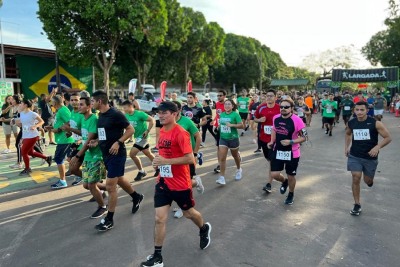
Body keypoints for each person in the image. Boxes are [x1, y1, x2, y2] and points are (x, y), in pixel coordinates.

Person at [140, 101, 211, 267]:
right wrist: (158, 163)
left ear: (174, 114)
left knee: (189, 213)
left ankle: (203, 229)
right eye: (159, 112)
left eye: (165, 112)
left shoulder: (181, 132)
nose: (161, 115)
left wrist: (166, 161)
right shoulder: (162, 130)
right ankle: (157, 257)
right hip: (163, 182)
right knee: (159, 219)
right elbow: (163, 154)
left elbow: (189, 158)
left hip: (180, 183)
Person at [91, 90, 144, 231]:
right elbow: (104, 133)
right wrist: (96, 141)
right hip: (106, 154)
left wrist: (118, 142)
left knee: (110, 186)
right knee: (119, 178)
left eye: (92, 101)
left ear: (100, 101)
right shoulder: (100, 115)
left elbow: (130, 130)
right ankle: (136, 196)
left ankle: (109, 219)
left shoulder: (116, 114)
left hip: (117, 154)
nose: (91, 103)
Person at [345, 101, 391, 216]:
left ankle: (370, 181)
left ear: (367, 110)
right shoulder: (351, 123)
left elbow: (388, 137)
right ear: (354, 111)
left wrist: (377, 147)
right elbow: (348, 134)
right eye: (357, 110)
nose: (359, 112)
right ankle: (357, 204)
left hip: (370, 157)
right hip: (355, 155)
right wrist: (347, 147)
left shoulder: (375, 123)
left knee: (367, 180)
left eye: (362, 110)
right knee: (356, 177)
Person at [69, 97, 108, 219]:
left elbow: (89, 140)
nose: (78, 106)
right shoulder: (83, 119)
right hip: (88, 156)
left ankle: (102, 207)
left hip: (97, 156)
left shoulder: (93, 119)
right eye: (78, 104)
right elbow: (84, 136)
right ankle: (110, 187)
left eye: (81, 104)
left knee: (91, 185)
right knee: (86, 185)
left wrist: (77, 155)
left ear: (88, 106)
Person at [267, 98, 306, 205]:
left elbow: (304, 137)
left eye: (286, 107)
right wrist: (271, 141)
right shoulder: (276, 118)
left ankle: (291, 194)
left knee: (291, 176)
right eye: (281, 107)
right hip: (278, 150)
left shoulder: (298, 120)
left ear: (292, 108)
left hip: (292, 152)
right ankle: (284, 182)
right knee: (274, 174)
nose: (283, 109)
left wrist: (291, 141)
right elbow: (274, 129)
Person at [172, 100, 205, 218]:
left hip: (187, 155)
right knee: (175, 181)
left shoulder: (186, 121)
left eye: (175, 109)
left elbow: (198, 136)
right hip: (174, 157)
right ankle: (197, 183)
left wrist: (195, 153)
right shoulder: (168, 122)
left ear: (180, 110)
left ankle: (183, 206)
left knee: (185, 183)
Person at [254, 89, 284, 193]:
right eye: (267, 96)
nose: (269, 98)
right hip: (263, 139)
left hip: (276, 140)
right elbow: (254, 118)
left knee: (271, 161)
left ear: (276, 97)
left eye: (271, 96)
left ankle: (269, 184)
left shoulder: (280, 108)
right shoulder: (261, 107)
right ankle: (280, 177)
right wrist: (259, 120)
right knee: (268, 159)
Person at [44, 95, 75, 189]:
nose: (51, 104)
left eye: (51, 102)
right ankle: (78, 176)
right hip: (62, 139)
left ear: (55, 102)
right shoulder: (60, 110)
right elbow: (61, 124)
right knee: (71, 159)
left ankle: (63, 181)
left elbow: (70, 122)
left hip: (65, 139)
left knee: (58, 158)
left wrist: (59, 130)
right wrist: (53, 128)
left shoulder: (63, 110)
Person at [122, 100, 156, 181]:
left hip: (143, 137)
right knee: (148, 153)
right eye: (123, 108)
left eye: (125, 108)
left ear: (131, 106)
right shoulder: (126, 116)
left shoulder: (139, 114)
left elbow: (152, 120)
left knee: (132, 154)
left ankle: (141, 171)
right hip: (137, 137)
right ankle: (159, 168)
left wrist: (147, 131)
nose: (124, 109)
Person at [16, 99, 52, 175]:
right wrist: (20, 124)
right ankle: (47, 158)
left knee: (24, 152)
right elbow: (22, 122)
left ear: (25, 105)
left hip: (32, 135)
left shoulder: (33, 114)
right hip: (26, 135)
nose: (20, 105)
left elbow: (42, 121)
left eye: (22, 103)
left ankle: (27, 168)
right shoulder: (22, 113)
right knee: (30, 152)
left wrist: (35, 126)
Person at [215, 99, 244, 185]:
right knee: (222, 157)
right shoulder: (222, 114)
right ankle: (222, 177)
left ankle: (239, 169)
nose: (227, 106)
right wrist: (218, 127)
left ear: (232, 106)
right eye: (225, 104)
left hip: (233, 138)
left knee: (235, 156)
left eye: (229, 104)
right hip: (223, 138)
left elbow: (241, 125)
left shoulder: (235, 114)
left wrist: (232, 125)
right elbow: (221, 124)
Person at [61, 93, 84, 186]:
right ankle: (86, 179)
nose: (74, 102)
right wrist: (68, 132)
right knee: (72, 166)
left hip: (84, 144)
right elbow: (72, 127)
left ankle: (96, 185)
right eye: (72, 100)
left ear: (80, 101)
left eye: (76, 100)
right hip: (76, 143)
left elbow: (87, 131)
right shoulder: (72, 113)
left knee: (73, 167)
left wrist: (81, 140)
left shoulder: (83, 114)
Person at [212, 90, 227, 173]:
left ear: (224, 96)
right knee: (218, 147)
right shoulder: (217, 104)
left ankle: (236, 154)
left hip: (227, 129)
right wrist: (214, 122)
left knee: (230, 149)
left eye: (220, 95)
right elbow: (218, 115)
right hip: (219, 129)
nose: (219, 97)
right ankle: (219, 164)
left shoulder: (228, 104)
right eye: (218, 95)